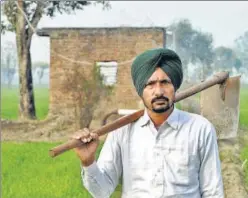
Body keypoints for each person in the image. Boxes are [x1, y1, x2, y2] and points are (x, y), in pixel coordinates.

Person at [72, 48, 224, 198]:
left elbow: (213, 191)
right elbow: (102, 192)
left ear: (175, 87)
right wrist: (88, 161)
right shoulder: (121, 130)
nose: (158, 92)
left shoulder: (200, 129)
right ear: (140, 90)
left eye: (165, 82)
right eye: (150, 84)